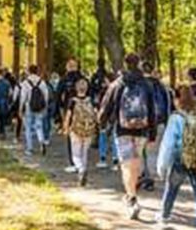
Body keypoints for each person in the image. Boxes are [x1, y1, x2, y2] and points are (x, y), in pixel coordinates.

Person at [99, 53, 157, 220]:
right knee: (136, 163)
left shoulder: (118, 83)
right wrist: (152, 133)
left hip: (122, 129)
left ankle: (131, 198)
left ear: (125, 64)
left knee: (126, 164)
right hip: (142, 130)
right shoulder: (146, 84)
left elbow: (106, 106)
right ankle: (132, 193)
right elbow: (152, 110)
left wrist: (102, 124)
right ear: (138, 64)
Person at [156, 85, 196, 230]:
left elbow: (168, 145)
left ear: (178, 99)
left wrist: (162, 167)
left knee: (172, 188)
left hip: (181, 159)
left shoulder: (176, 117)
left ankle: (164, 216)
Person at [138, 61, 172, 191]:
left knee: (140, 152)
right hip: (159, 123)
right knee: (153, 152)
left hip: (141, 123)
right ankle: (150, 178)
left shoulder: (138, 85)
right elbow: (168, 106)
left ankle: (141, 175)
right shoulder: (161, 86)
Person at [65, 78, 97, 186]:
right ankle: (83, 171)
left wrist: (66, 127)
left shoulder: (73, 101)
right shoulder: (91, 100)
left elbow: (68, 115)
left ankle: (80, 169)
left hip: (75, 129)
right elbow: (96, 114)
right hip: (88, 129)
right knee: (84, 152)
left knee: (75, 154)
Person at [58, 58, 85, 173]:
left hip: (69, 109)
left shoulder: (64, 80)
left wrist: (58, 114)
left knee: (71, 137)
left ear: (67, 67)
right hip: (84, 110)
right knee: (84, 134)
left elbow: (58, 95)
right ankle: (82, 162)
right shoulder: (83, 79)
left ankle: (74, 162)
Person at [19, 65, 50, 156]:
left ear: (29, 71)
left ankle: (30, 149)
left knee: (28, 128)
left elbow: (23, 97)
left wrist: (20, 108)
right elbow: (46, 96)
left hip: (29, 106)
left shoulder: (25, 82)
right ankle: (41, 141)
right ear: (37, 71)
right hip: (40, 107)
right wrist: (45, 106)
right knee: (39, 126)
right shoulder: (42, 82)